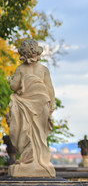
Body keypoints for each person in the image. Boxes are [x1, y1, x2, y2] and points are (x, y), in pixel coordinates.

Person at [7, 40, 55, 177]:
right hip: (41, 104)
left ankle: (29, 161)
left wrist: (11, 81)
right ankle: (40, 163)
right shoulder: (43, 69)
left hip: (26, 105)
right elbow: (50, 89)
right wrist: (51, 106)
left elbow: (14, 87)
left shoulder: (21, 69)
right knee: (39, 135)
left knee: (25, 131)